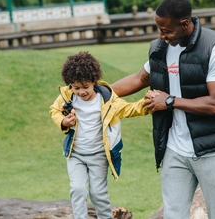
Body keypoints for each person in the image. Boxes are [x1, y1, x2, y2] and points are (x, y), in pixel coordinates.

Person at [111, 0, 215, 218]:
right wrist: (97, 95)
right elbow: (139, 78)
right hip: (174, 148)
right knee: (173, 214)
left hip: (212, 148)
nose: (161, 36)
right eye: (159, 30)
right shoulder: (160, 48)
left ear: (184, 23)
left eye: (166, 30)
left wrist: (170, 101)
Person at [49, 51, 148, 219]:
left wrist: (147, 103)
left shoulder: (107, 99)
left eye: (85, 87)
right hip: (76, 155)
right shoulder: (67, 96)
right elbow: (54, 110)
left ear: (94, 81)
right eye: (76, 87)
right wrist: (64, 121)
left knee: (98, 194)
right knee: (77, 190)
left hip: (99, 155)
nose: (81, 92)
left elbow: (129, 109)